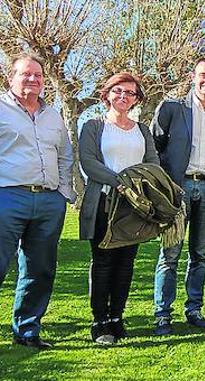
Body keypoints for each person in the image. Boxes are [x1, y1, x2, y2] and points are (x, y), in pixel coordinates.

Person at [151, 58, 205, 335]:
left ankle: (194, 309)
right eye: (203, 75)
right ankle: (163, 313)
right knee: (170, 254)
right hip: (178, 189)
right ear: (192, 77)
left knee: (200, 254)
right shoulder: (172, 109)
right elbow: (156, 146)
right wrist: (164, 185)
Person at [0, 52, 76, 349]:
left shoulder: (53, 115)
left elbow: (66, 154)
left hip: (48, 200)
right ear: (11, 78)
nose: (33, 79)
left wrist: (64, 193)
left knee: (40, 268)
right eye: (26, 74)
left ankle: (27, 330)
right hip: (8, 196)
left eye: (38, 75)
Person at [79, 72, 159, 344]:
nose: (123, 96)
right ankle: (99, 322)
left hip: (133, 207)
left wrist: (142, 188)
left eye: (130, 92)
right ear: (107, 93)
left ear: (137, 99)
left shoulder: (142, 130)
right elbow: (89, 163)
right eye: (118, 91)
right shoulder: (93, 126)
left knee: (126, 263)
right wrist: (121, 182)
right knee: (103, 262)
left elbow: (152, 163)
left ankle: (117, 318)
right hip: (103, 203)